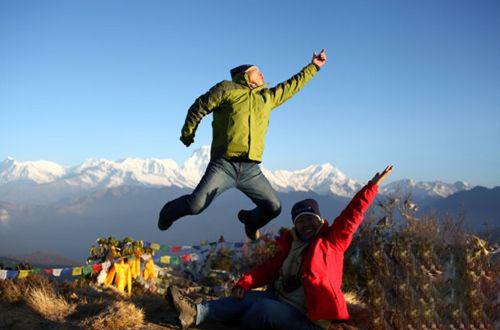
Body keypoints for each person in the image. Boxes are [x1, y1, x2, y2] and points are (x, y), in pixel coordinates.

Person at [167, 165, 394, 330]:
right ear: (295, 224)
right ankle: (195, 314)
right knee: (244, 299)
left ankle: (222, 317)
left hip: (309, 317)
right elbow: (268, 269)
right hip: (280, 299)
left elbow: (350, 218)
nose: (306, 224)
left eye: (310, 219)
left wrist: (370, 188)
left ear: (320, 220)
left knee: (262, 309)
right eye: (300, 220)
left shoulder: (331, 243)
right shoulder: (290, 243)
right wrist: (245, 283)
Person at [158, 50, 328, 240]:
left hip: (251, 169)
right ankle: (167, 212)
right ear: (246, 74)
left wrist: (314, 66)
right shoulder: (227, 89)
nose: (263, 75)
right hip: (223, 165)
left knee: (274, 208)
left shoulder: (266, 98)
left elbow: (292, 85)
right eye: (258, 71)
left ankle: (251, 221)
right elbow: (200, 106)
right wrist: (188, 134)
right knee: (195, 205)